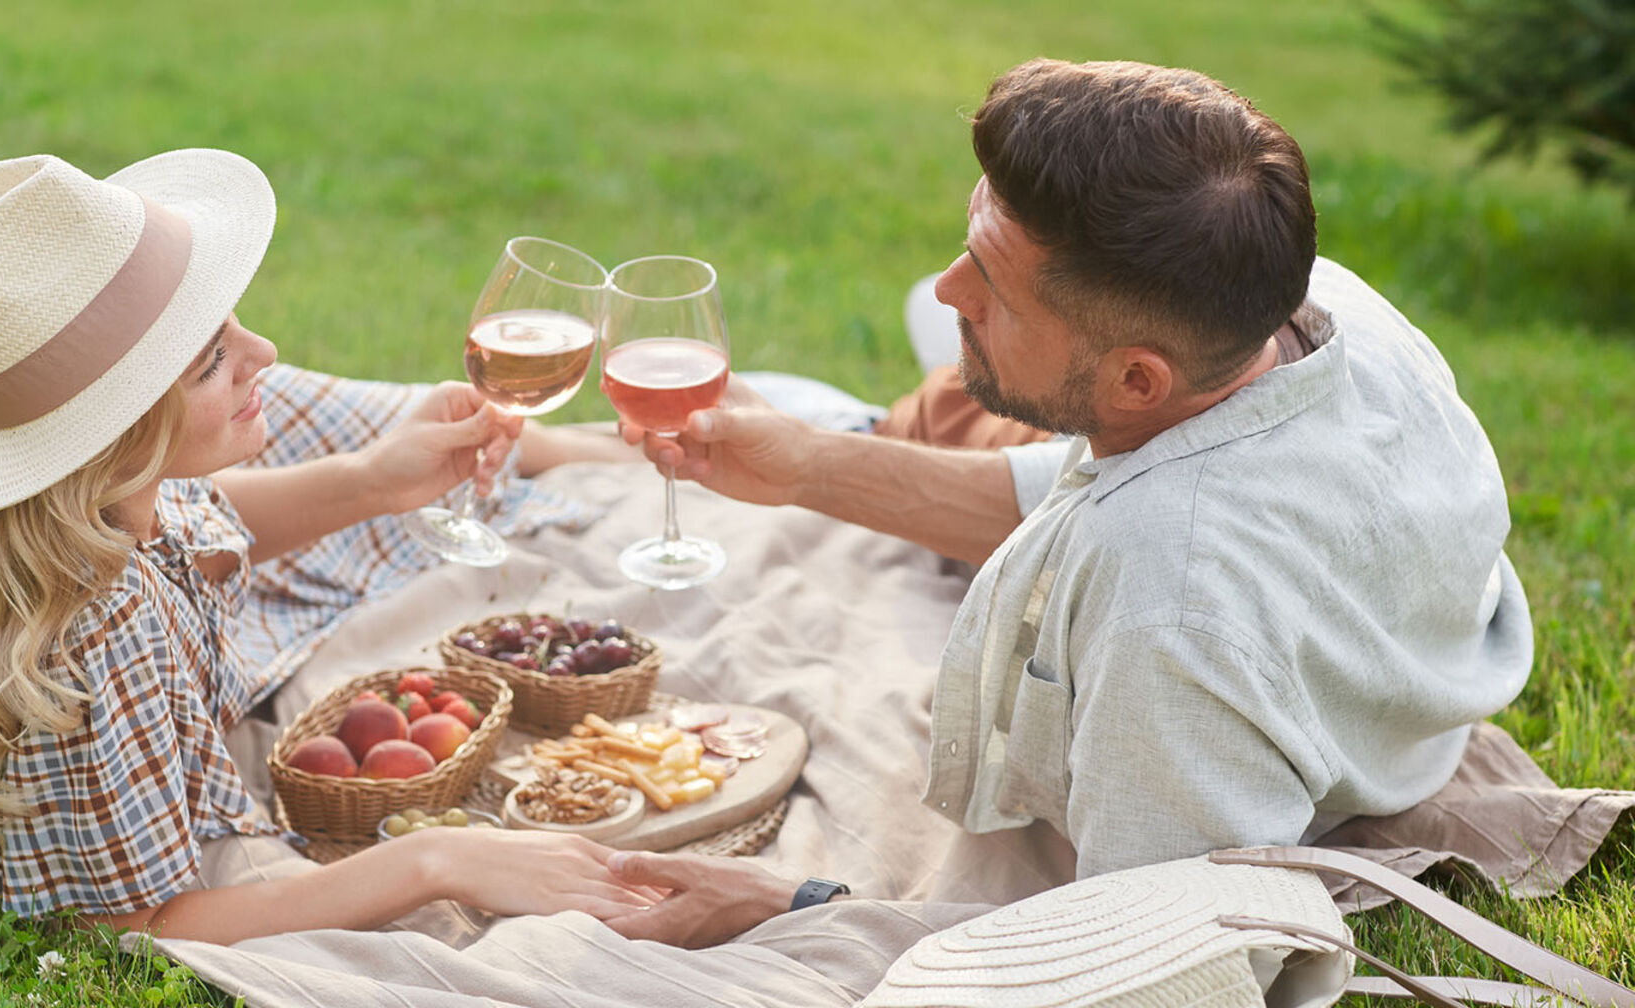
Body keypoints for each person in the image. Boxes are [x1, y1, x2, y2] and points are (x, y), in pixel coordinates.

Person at [606, 57, 1533, 947]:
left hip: (1265, 757)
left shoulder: (1171, 606)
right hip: (1396, 709)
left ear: (1138, 380)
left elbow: (1148, 955)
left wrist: (796, 900)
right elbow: (1091, 490)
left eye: (992, 288)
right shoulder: (1313, 306)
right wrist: (807, 469)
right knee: (933, 384)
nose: (948, 286)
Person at [0, 149, 656, 943]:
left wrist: (378, 478)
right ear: (123, 435)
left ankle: (607, 450)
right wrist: (438, 864)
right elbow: (138, 919)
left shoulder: (112, 502)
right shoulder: (100, 636)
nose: (264, 350)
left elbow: (211, 517)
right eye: (214, 358)